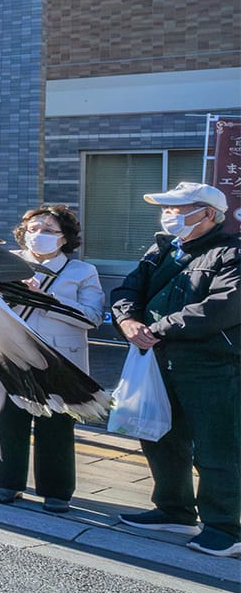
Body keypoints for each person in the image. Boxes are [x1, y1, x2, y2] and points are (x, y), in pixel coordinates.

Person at [111, 181, 240, 559]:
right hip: (159, 360)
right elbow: (127, 289)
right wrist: (127, 321)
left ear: (208, 214)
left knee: (218, 447)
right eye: (167, 208)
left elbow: (226, 304)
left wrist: (158, 328)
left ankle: (224, 527)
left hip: (213, 365)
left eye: (179, 208)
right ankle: (174, 509)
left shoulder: (231, 252)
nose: (170, 215)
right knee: (159, 435)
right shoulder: (162, 249)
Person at [0, 204, 104, 512]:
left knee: (57, 421)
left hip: (61, 357)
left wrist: (48, 299)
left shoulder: (82, 271)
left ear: (65, 238)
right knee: (8, 417)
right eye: (33, 229)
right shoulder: (6, 263)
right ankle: (8, 483)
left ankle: (56, 491)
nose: (38, 235)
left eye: (49, 231)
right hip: (10, 349)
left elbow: (93, 317)